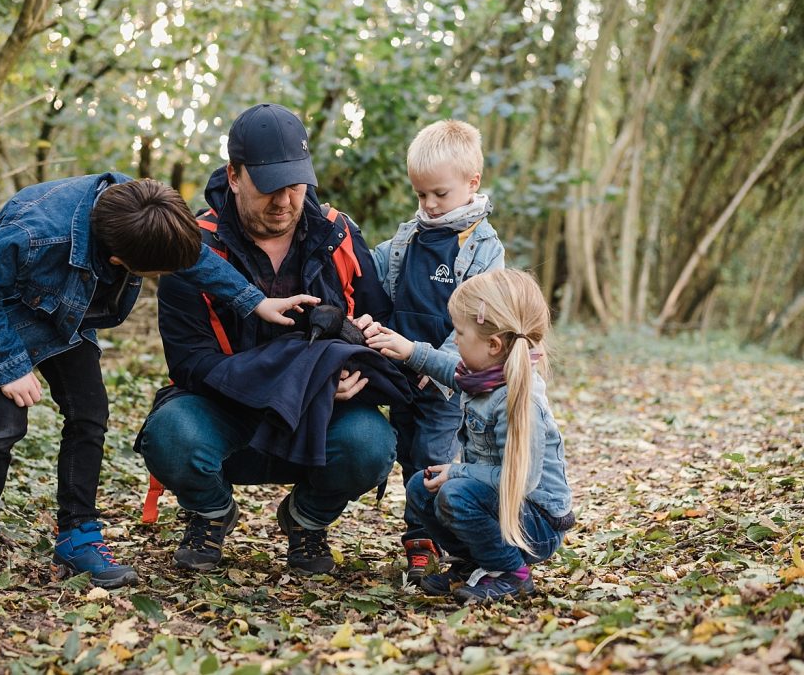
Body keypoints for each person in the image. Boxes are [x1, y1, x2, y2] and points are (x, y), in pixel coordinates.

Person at [0, 174, 317, 587]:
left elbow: (192, 256)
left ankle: (78, 535)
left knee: (89, 415)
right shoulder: (37, 234)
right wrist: (10, 366)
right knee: (3, 424)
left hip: (65, 313)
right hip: (5, 313)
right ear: (119, 261)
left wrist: (256, 302)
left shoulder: (146, 211)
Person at [136, 103, 398, 574]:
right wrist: (287, 380)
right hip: (223, 413)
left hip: (321, 417)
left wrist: (350, 366)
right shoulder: (193, 247)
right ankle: (211, 512)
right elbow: (189, 363)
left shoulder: (339, 236)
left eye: (295, 187)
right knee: (171, 435)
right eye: (269, 188)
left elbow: (378, 327)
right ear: (235, 176)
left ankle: (306, 519)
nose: (284, 202)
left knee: (371, 444)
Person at [364, 269, 575, 603]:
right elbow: (450, 370)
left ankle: (512, 574)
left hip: (537, 522)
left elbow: (521, 481)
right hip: (502, 507)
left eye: (460, 332)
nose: (455, 338)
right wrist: (408, 351)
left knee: (455, 493)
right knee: (421, 486)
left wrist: (457, 471)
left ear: (493, 345)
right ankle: (474, 563)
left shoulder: (517, 399)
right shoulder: (485, 375)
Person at [369, 120, 505, 582]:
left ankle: (431, 540)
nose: (428, 205)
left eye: (439, 195)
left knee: (433, 456)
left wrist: (438, 359)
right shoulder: (408, 239)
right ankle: (424, 533)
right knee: (405, 449)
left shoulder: (483, 248)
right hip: (401, 370)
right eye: (420, 195)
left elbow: (480, 319)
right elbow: (370, 272)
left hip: (446, 379)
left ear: (472, 184)